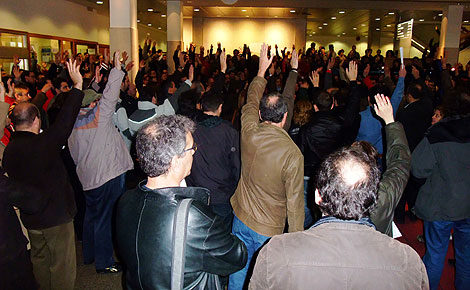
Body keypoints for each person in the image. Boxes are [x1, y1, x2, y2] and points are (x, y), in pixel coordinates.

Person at [249, 95, 429, 290]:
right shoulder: (408, 262)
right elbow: (400, 165)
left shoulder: (277, 252)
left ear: (318, 195)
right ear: (372, 194)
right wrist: (390, 122)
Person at [116, 114, 247, 289]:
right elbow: (237, 257)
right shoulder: (192, 217)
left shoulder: (126, 200)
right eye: (191, 148)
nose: (194, 152)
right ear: (176, 161)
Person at [2, 59, 84, 290]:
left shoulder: (9, 150)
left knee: (39, 261)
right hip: (56, 217)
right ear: (37, 120)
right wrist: (77, 86)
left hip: (31, 218)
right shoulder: (43, 144)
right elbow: (65, 121)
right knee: (62, 267)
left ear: (12, 124)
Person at [229, 44, 304, 290]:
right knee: (264, 279)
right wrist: (295, 243)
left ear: (261, 115)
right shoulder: (292, 154)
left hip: (240, 216)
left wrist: (261, 71)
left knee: (238, 269)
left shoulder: (248, 131)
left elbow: (250, 101)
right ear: (284, 118)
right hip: (268, 228)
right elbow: (295, 206)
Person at [68, 51, 133, 274]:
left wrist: (95, 83)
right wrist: (117, 69)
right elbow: (110, 95)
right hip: (107, 175)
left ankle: (89, 255)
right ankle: (104, 262)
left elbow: (95, 97)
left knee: (92, 216)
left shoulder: (70, 122)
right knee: (106, 220)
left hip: (87, 176)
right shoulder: (98, 117)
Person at [411, 89, 470, 290]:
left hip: (440, 204)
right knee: (466, 256)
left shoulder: (437, 133)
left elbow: (418, 169)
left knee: (435, 255)